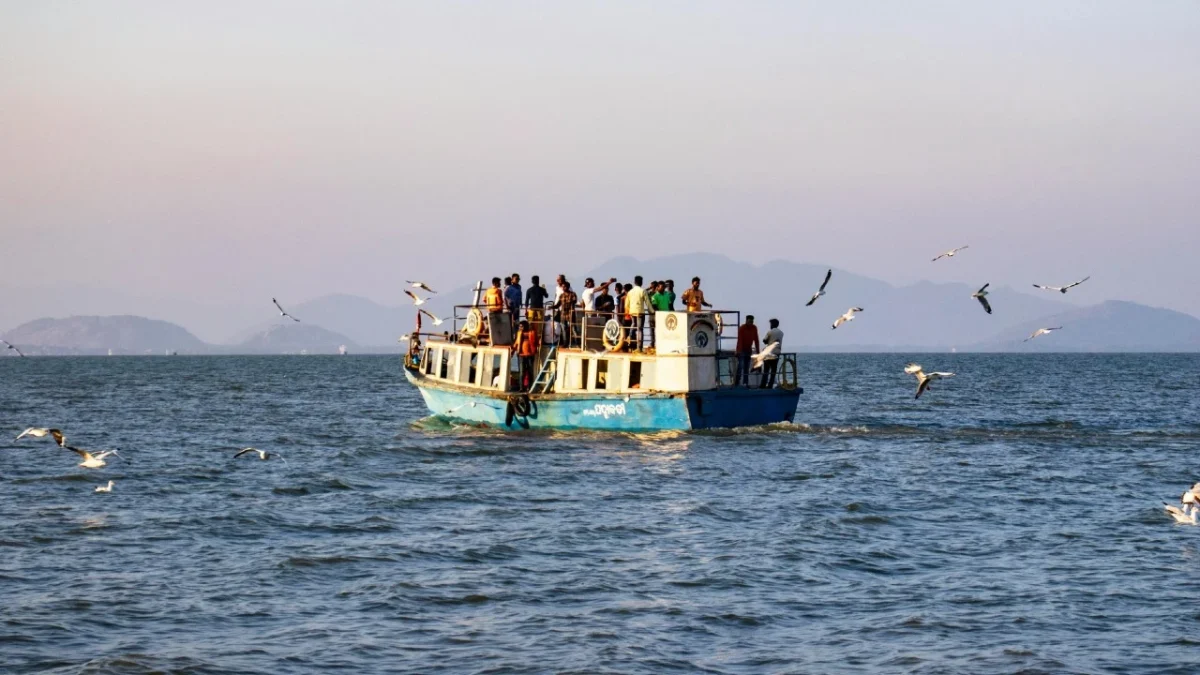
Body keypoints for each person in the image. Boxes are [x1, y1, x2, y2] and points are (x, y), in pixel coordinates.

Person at [512, 319, 539, 390]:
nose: (520, 328)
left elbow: (536, 342)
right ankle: (521, 388)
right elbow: (516, 343)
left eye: (521, 326)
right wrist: (512, 351)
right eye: (519, 326)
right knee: (522, 372)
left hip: (530, 355)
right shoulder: (519, 333)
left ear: (525, 326)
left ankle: (530, 387)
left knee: (530, 372)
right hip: (521, 355)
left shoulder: (532, 332)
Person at [625, 276, 650, 351]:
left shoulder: (630, 292)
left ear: (634, 282)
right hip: (640, 312)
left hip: (632, 312)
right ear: (641, 282)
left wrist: (629, 311)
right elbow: (648, 303)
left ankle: (629, 336)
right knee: (639, 329)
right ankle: (639, 347)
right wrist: (652, 311)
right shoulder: (643, 291)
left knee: (633, 324)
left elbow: (626, 305)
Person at [735, 315, 760, 388]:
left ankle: (745, 383)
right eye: (749, 321)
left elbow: (756, 340)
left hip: (749, 350)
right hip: (741, 350)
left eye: (752, 322)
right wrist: (739, 351)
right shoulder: (742, 328)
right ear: (746, 321)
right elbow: (740, 340)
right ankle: (737, 383)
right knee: (741, 366)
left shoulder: (754, 328)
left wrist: (758, 352)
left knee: (746, 367)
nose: (751, 323)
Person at [553, 281, 578, 347]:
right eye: (563, 287)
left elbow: (574, 301)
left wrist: (570, 303)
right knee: (563, 329)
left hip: (570, 314)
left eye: (565, 286)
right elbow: (558, 304)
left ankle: (577, 343)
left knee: (573, 329)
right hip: (563, 314)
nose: (563, 288)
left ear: (568, 287)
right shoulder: (561, 295)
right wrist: (552, 306)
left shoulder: (572, 294)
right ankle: (565, 343)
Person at [761, 318, 783, 389]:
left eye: (770, 324)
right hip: (777, 353)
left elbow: (765, 341)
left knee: (766, 370)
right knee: (773, 370)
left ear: (773, 324)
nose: (770, 325)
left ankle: (763, 385)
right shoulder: (781, 333)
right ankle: (770, 385)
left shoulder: (770, 332)